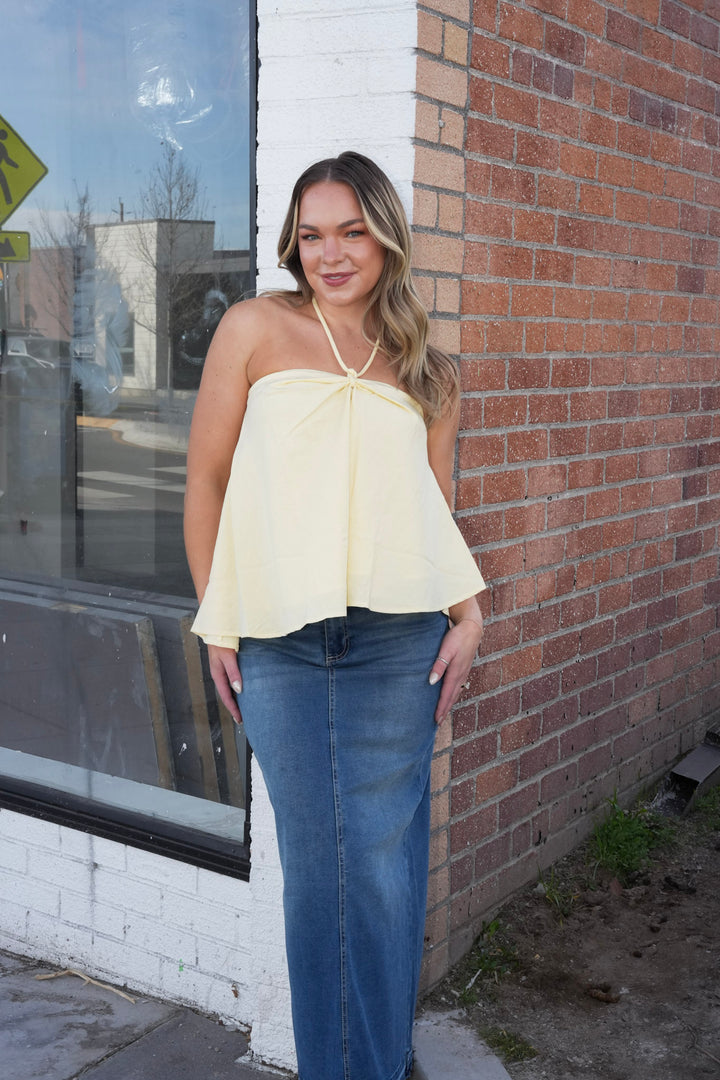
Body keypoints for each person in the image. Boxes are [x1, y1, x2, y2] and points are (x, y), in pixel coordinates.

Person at [184, 151, 487, 1080]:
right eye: (312, 235)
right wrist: (217, 620)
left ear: (386, 236)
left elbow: (428, 512)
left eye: (351, 230)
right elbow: (206, 477)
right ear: (293, 244)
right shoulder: (255, 328)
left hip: (401, 645)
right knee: (325, 881)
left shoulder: (430, 371)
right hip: (281, 642)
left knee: (387, 883)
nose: (331, 252)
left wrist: (469, 615)